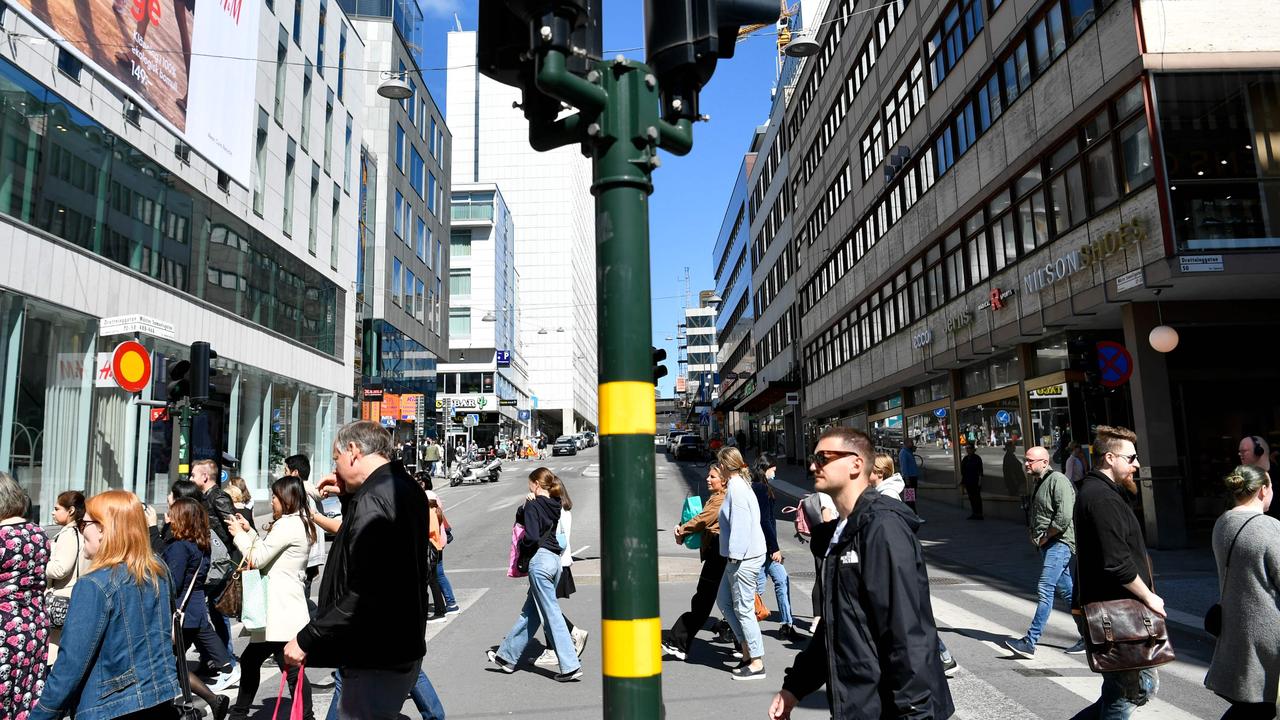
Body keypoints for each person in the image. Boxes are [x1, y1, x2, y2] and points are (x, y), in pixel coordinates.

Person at [767, 428, 954, 720]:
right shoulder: (841, 532)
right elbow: (835, 627)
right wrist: (796, 686)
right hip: (857, 705)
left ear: (856, 464)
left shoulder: (882, 528)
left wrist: (916, 712)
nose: (813, 465)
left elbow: (905, 631)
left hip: (890, 709)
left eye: (823, 457)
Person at [286, 421, 438, 719]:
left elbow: (365, 588)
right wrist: (347, 495)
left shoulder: (373, 498)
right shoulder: (405, 486)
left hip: (375, 651)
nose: (335, 469)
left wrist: (308, 637)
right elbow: (362, 541)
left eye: (336, 459)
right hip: (400, 642)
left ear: (353, 452)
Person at [31, 490, 180, 720]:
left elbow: (70, 665)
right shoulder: (158, 569)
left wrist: (43, 713)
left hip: (109, 706)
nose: (81, 530)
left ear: (103, 529)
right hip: (160, 697)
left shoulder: (94, 585)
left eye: (84, 524)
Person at [1071, 425, 1162, 719]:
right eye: (1131, 457)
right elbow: (1116, 562)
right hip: (1114, 612)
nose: (1136, 464)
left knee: (1129, 689)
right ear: (1110, 458)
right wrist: (1149, 597)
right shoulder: (1101, 498)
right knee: (1125, 694)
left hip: (1116, 610)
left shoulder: (1105, 492)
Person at [227, 476, 315, 720]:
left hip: (282, 610)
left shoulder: (288, 525)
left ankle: (242, 712)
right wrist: (250, 533)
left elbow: (258, 559)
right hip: (281, 608)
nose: (272, 501)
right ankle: (240, 712)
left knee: (288, 668)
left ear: (286, 499)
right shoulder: (296, 522)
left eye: (275, 497)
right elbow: (269, 553)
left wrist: (238, 534)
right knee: (259, 661)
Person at [868, 453, 960, 679]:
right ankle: (942, 657)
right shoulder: (903, 459)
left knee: (912, 617)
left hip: (911, 484)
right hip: (909, 483)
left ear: (880, 473)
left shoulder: (887, 494)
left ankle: (942, 657)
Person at [486, 468, 581, 682]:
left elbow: (530, 536)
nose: (528, 487)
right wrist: (526, 506)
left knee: (551, 615)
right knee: (531, 612)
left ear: (536, 484)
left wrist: (522, 543)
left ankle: (571, 665)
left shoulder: (534, 505)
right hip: (555, 562)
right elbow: (532, 518)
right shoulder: (555, 503)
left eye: (530, 483)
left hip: (540, 561)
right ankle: (506, 658)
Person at [1203, 465, 1280, 719]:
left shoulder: (1223, 523)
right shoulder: (1269, 527)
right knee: (1258, 708)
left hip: (1237, 627)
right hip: (1269, 633)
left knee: (1252, 706)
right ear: (1262, 490)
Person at [1005, 445, 1086, 659]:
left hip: (1059, 544)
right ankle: (1090, 636)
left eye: (1030, 460)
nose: (1026, 464)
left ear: (1044, 461)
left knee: (1045, 587)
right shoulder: (1039, 482)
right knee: (1068, 593)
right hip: (1048, 545)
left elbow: (1064, 515)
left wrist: (1046, 536)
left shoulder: (1057, 480)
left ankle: (1030, 641)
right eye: (1026, 460)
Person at [159, 497, 230, 720]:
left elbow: (173, 583)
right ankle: (210, 701)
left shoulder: (179, 547)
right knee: (174, 663)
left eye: (171, 513)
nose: (166, 516)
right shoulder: (199, 544)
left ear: (181, 519)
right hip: (193, 610)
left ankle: (195, 704)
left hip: (181, 612)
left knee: (168, 664)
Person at [661, 463, 727, 662]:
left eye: (712, 477)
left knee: (703, 599)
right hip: (718, 551)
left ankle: (678, 640)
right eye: (708, 476)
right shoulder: (718, 497)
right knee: (724, 601)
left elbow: (703, 520)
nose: (708, 479)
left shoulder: (721, 499)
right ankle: (733, 636)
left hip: (718, 553)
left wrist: (682, 529)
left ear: (724, 480)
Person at [715, 447, 767, 680]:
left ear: (725, 466)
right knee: (725, 601)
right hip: (741, 556)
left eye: (719, 465)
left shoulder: (736, 488)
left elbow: (741, 526)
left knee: (743, 609)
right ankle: (746, 651)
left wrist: (734, 556)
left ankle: (756, 662)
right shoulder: (739, 485)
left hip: (743, 558)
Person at [0, 473, 49, 716]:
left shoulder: (2, 537)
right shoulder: (38, 533)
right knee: (25, 695)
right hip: (35, 624)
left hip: (4, 628)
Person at [191, 457, 241, 691]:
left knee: (212, 609)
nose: (191, 478)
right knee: (212, 609)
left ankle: (227, 661)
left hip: (222, 564)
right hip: (216, 562)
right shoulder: (204, 497)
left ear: (204, 477)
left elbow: (233, 525)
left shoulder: (217, 497)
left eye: (193, 475)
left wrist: (235, 559)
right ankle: (216, 659)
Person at [533, 478, 589, 667]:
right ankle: (555, 645)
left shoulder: (556, 511)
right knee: (545, 607)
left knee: (547, 608)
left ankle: (564, 640)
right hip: (561, 563)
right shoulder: (564, 509)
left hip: (554, 563)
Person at [751, 454, 796, 641]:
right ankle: (739, 628)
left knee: (781, 580)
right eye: (773, 469)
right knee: (758, 589)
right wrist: (774, 548)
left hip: (765, 547)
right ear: (766, 468)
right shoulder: (760, 488)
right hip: (764, 549)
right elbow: (765, 520)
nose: (775, 473)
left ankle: (787, 625)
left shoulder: (760, 487)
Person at [45, 490, 89, 664]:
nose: (53, 512)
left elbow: (61, 569)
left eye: (57, 508)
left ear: (70, 511)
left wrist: (38, 563)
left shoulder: (68, 535)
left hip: (62, 597)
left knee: (54, 652)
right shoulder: (78, 533)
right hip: (72, 595)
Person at [284, 454, 326, 612]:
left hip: (303, 553)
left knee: (299, 602)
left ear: (295, 473)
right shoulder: (312, 490)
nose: (284, 474)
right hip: (312, 554)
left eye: (286, 470)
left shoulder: (300, 492)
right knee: (303, 597)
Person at [960, 443, 984, 519]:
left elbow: (980, 471)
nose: (968, 450)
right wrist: (963, 482)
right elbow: (963, 471)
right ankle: (974, 513)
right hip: (968, 481)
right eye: (967, 448)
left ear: (973, 449)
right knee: (971, 498)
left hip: (975, 481)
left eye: (969, 448)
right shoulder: (966, 459)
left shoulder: (977, 458)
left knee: (977, 497)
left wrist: (980, 481)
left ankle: (979, 514)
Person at [898, 438, 920, 510]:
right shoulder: (904, 452)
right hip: (909, 477)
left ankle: (911, 512)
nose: (912, 444)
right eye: (911, 443)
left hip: (913, 476)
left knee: (912, 497)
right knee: (910, 498)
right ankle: (912, 512)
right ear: (907, 443)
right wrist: (906, 478)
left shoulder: (908, 452)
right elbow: (904, 467)